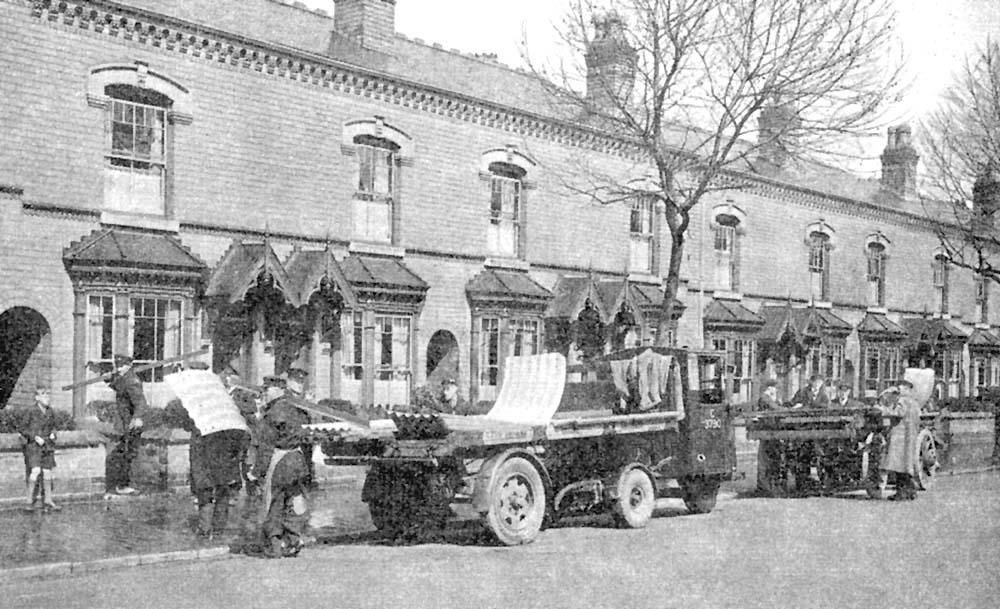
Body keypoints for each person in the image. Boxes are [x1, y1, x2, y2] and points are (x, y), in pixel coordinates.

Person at [165, 363, 251, 538]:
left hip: (205, 448)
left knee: (205, 489)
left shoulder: (194, 396)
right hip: (224, 449)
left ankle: (205, 528)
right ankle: (217, 528)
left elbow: (176, 416)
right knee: (221, 488)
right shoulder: (223, 395)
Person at [260, 425, 311, 558]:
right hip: (298, 460)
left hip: (280, 464)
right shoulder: (296, 413)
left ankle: (274, 544)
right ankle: (294, 540)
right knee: (293, 502)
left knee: (273, 506)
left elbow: (265, 449)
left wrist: (255, 474)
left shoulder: (271, 418)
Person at [105, 354, 147, 496]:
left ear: (129, 365)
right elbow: (119, 387)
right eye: (117, 366)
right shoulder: (124, 378)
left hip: (132, 423)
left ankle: (126, 485)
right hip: (125, 423)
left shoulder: (132, 380)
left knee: (128, 454)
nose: (119, 368)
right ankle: (124, 485)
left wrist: (138, 417)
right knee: (125, 453)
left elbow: (141, 402)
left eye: (122, 366)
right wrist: (109, 380)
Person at [880, 379, 922, 501]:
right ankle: (910, 491)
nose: (899, 389)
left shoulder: (903, 400)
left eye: (901, 387)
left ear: (906, 389)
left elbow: (898, 413)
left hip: (900, 437)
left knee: (898, 466)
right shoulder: (914, 402)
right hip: (910, 436)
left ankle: (901, 492)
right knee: (906, 465)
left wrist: (883, 409)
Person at [21, 387, 60, 512]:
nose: (47, 398)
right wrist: (35, 437)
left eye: (48, 396)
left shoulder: (50, 411)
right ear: (37, 398)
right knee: (36, 470)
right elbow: (22, 428)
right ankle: (29, 501)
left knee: (48, 471)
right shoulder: (31, 411)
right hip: (34, 446)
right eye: (44, 396)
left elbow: (54, 426)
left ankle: (48, 500)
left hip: (47, 445)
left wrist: (54, 434)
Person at [755, 379, 785, 495]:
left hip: (772, 432)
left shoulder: (771, 399)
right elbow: (776, 409)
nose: (775, 390)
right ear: (769, 388)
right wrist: (791, 410)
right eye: (774, 388)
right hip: (767, 433)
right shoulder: (765, 398)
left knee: (773, 459)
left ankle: (771, 486)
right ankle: (765, 487)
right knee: (766, 461)